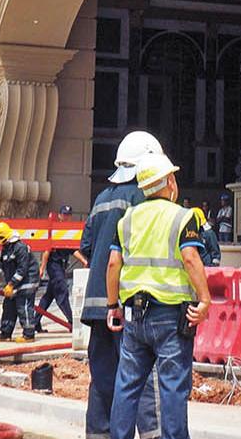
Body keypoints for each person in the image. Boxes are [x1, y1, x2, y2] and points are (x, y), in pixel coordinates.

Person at [106, 153, 211, 439]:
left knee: (127, 385)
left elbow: (113, 263)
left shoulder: (127, 219)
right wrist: (204, 300)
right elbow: (190, 258)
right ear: (169, 181)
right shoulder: (183, 216)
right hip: (170, 316)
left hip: (134, 315)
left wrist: (113, 305)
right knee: (173, 387)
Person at [80, 131, 163, 439]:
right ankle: (154, 434)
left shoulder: (101, 199)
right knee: (141, 376)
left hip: (96, 306)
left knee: (102, 378)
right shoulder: (142, 198)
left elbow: (87, 248)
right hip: (127, 304)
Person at [0, 222, 39, 343]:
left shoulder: (20, 248)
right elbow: (2, 264)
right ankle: (5, 333)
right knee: (8, 307)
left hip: (27, 282)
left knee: (23, 307)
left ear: (2, 238)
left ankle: (29, 335)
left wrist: (11, 284)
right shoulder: (7, 248)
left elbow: (22, 269)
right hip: (15, 284)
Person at [33, 205, 84, 333]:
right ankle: (72, 322)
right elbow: (46, 251)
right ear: (60, 216)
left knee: (48, 296)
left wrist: (84, 261)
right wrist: (42, 268)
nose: (66, 217)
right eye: (64, 214)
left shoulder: (68, 232)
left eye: (68, 215)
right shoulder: (55, 229)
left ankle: (35, 322)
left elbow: (72, 250)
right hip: (54, 265)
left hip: (60, 267)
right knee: (62, 291)